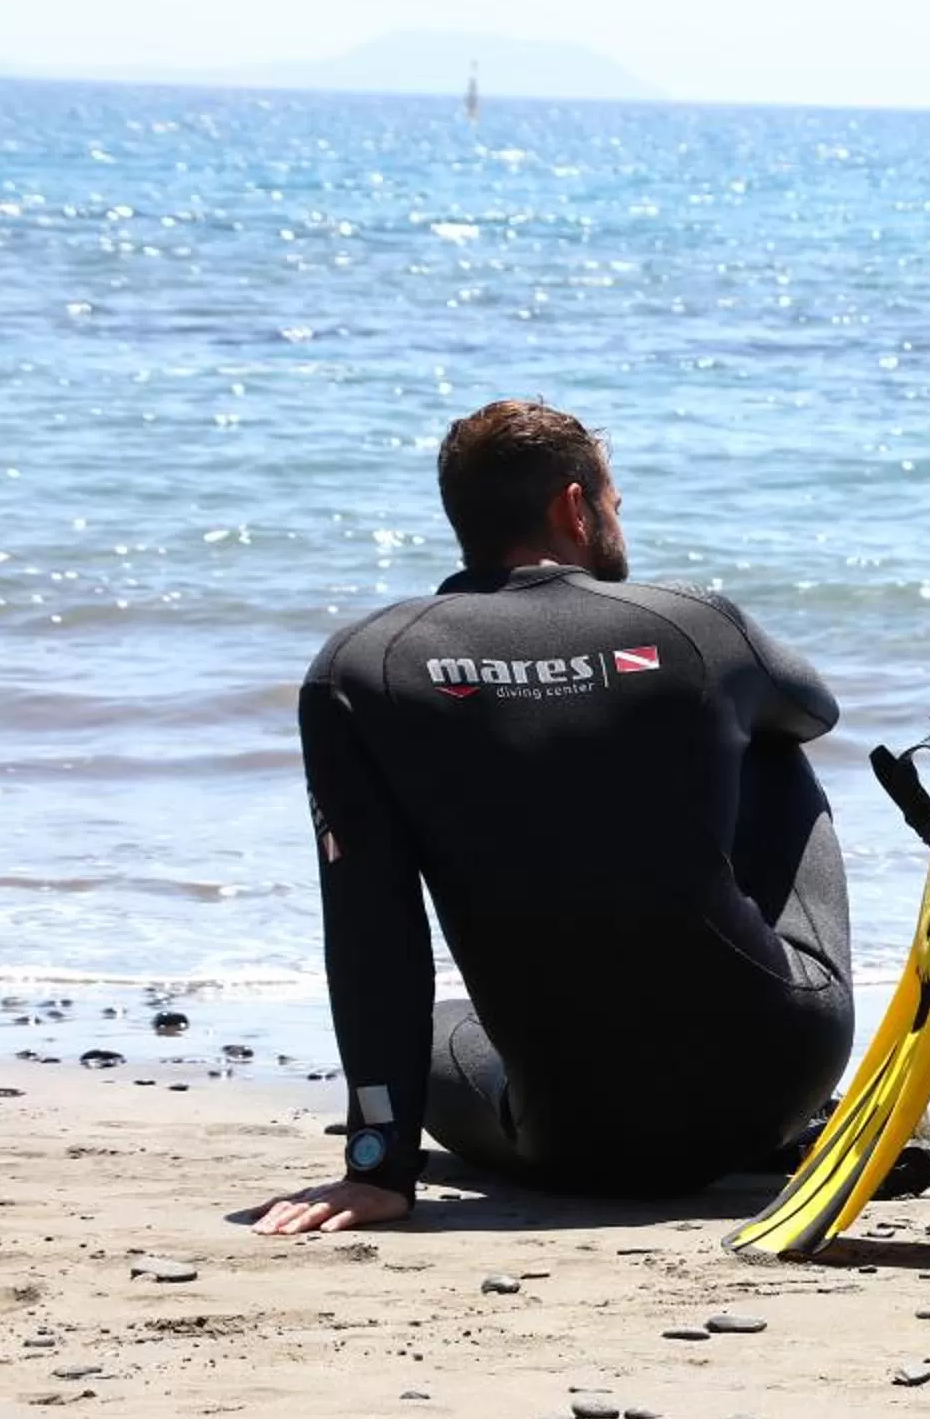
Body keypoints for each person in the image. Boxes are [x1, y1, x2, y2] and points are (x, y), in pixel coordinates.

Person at [254, 400, 854, 1233]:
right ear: (574, 507)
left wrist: (377, 1162)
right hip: (782, 1076)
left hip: (578, 1137)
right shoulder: (690, 624)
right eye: (613, 503)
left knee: (436, 1033)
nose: (618, 520)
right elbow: (815, 712)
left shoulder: (363, 668)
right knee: (769, 744)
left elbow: (371, 929)